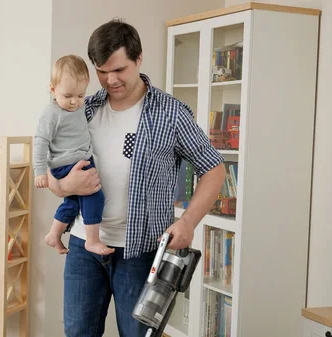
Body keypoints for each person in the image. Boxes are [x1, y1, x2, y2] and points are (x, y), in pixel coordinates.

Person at [47, 19, 226, 337]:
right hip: (84, 247)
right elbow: (53, 166)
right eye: (102, 71)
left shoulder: (171, 113)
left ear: (138, 59)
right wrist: (62, 185)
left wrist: (187, 222)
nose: (110, 79)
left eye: (119, 69)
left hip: (141, 251)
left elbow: (213, 168)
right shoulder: (82, 110)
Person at [33, 55, 115, 256]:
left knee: (73, 202)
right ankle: (92, 241)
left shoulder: (81, 105)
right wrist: (40, 171)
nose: (75, 102)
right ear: (52, 90)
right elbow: (40, 141)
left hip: (79, 158)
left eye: (80, 95)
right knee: (94, 195)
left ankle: (54, 234)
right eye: (68, 95)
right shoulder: (52, 114)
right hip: (67, 163)